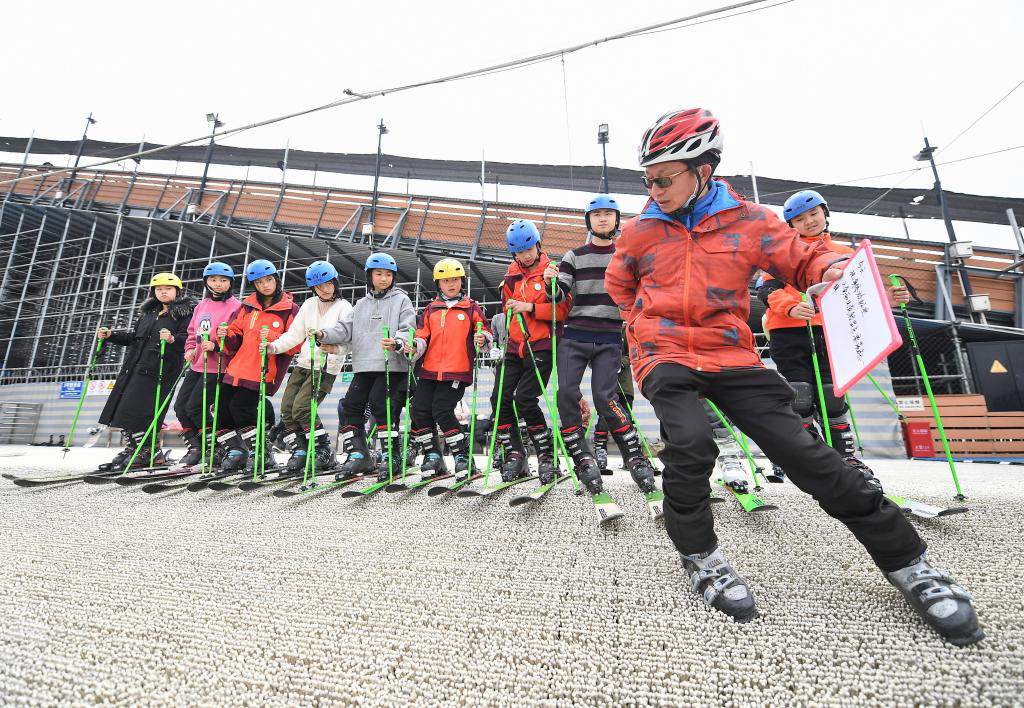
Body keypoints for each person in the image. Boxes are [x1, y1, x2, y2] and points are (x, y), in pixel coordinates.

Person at [605, 107, 981, 645]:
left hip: (732, 356)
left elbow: (804, 260)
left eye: (665, 178)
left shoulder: (753, 222)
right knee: (688, 445)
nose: (654, 188)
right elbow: (621, 287)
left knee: (806, 453)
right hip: (664, 355)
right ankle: (700, 556)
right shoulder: (641, 231)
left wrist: (832, 275)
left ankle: (910, 563)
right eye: (648, 179)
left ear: (703, 169)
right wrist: (642, 326)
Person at [757, 190, 909, 481]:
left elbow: (862, 295)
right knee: (799, 394)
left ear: (825, 213)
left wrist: (889, 298)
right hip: (788, 329)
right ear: (790, 226)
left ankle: (845, 458)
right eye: (800, 219)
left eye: (814, 214)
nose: (810, 222)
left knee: (832, 394)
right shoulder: (782, 253)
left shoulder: (845, 253)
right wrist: (790, 307)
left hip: (831, 329)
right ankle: (801, 455)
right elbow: (765, 290)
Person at [545, 194, 656, 493]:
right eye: (597, 215)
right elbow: (557, 296)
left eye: (609, 214)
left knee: (606, 399)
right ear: (589, 221)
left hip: (609, 337)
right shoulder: (574, 255)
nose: (603, 219)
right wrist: (550, 281)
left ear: (617, 220)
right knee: (566, 393)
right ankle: (581, 456)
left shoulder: (625, 255)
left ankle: (634, 456)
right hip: (576, 335)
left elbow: (641, 293)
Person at [316, 252, 416, 482]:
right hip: (364, 366)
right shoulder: (361, 304)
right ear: (369, 276)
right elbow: (344, 329)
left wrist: (399, 342)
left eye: (388, 274)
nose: (383, 278)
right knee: (350, 407)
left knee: (382, 407)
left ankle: (393, 455)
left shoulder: (401, 300)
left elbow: (408, 327)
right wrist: (324, 334)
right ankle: (359, 453)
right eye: (379, 274)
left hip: (390, 365)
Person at [494, 219, 570, 483]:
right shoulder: (510, 275)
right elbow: (506, 308)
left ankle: (547, 456)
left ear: (538, 245)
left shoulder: (551, 271)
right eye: (519, 252)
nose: (525, 256)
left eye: (529, 250)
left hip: (541, 343)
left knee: (524, 398)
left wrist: (529, 308)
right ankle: (515, 454)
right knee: (499, 399)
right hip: (515, 345)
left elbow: (561, 311)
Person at [96, 273, 195, 470]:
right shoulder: (148, 314)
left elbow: (190, 338)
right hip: (135, 368)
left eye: (168, 288)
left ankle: (149, 450)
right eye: (159, 289)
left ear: (177, 291)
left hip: (160, 370)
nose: (163, 292)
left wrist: (173, 339)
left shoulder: (185, 314)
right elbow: (135, 338)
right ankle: (135, 447)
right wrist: (111, 336)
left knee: (145, 411)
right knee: (124, 410)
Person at [264, 261, 353, 474]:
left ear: (335, 282)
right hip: (304, 364)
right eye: (320, 285)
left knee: (302, 408)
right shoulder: (309, 305)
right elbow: (295, 335)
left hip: (325, 367)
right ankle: (301, 451)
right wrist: (273, 347)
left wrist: (336, 350)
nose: (325, 288)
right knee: (287, 409)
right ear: (313, 288)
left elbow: (350, 341)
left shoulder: (345, 307)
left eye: (329, 283)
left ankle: (323, 450)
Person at [406, 258, 490, 478]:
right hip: (430, 370)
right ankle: (433, 456)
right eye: (445, 281)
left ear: (462, 281)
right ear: (438, 284)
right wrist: (413, 346)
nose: (451, 285)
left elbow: (485, 332)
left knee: (442, 410)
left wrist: (483, 339)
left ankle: (463, 458)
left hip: (456, 371)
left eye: (455, 280)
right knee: (419, 410)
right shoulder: (431, 309)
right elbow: (421, 336)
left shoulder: (471, 308)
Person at [215, 260, 299, 472]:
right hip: (236, 368)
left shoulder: (289, 308)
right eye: (260, 282)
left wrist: (272, 339)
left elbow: (295, 342)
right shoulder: (247, 307)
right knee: (221, 408)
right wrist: (226, 335)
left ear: (276, 279)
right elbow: (235, 336)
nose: (265, 285)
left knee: (241, 407)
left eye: (269, 280)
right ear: (254, 285)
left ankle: (262, 453)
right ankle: (236, 451)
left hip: (262, 368)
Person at [171, 262, 242, 471]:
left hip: (218, 366)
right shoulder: (201, 306)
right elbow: (193, 333)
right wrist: (190, 348)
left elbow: (238, 337)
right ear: (206, 282)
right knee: (181, 408)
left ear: (230, 283)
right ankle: (196, 447)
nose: (218, 284)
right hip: (197, 365)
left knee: (197, 408)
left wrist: (218, 345)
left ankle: (216, 448)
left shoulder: (236, 307)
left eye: (223, 280)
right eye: (213, 280)